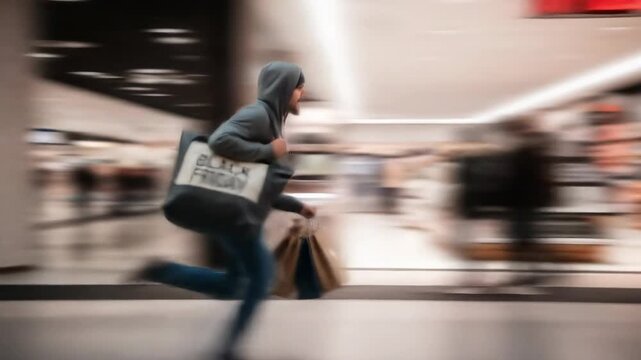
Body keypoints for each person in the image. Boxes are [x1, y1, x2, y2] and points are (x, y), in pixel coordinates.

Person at [131, 61, 316, 360]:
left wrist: (297, 206)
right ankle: (228, 350)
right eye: (298, 86)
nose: (301, 92)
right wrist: (270, 151)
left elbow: (255, 184)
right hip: (236, 219)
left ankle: (163, 270)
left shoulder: (271, 122)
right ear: (282, 88)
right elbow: (219, 141)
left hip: (237, 216)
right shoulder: (257, 115)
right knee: (262, 278)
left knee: (232, 284)